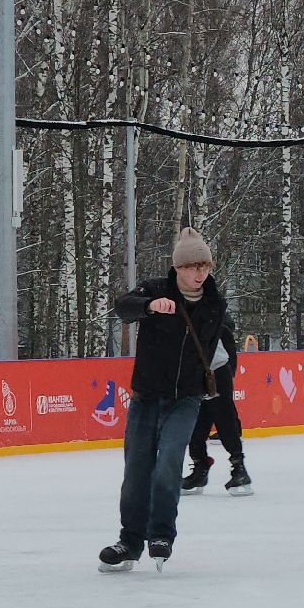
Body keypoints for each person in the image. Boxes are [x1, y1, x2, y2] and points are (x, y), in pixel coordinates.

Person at [98, 227, 228, 572]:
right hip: (146, 396)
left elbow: (215, 347)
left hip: (186, 399)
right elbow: (122, 308)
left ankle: (161, 535)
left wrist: (214, 388)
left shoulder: (215, 303)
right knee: (137, 470)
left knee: (169, 462)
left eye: (204, 266)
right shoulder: (155, 289)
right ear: (178, 268)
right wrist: (148, 306)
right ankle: (129, 541)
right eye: (192, 266)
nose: (199, 273)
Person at [181, 309, 253, 496]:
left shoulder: (207, 313)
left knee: (224, 420)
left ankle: (239, 467)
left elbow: (226, 341)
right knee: (195, 423)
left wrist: (228, 372)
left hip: (216, 371)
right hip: (194, 375)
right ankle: (199, 466)